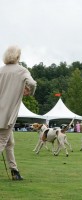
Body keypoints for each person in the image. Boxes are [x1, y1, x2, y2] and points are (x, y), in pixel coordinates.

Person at [0, 45, 37, 180]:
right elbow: (32, 83)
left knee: (9, 143)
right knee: (2, 142)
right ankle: (14, 172)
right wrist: (29, 92)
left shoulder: (1, 70)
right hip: (8, 115)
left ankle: (14, 171)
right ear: (17, 56)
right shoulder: (21, 70)